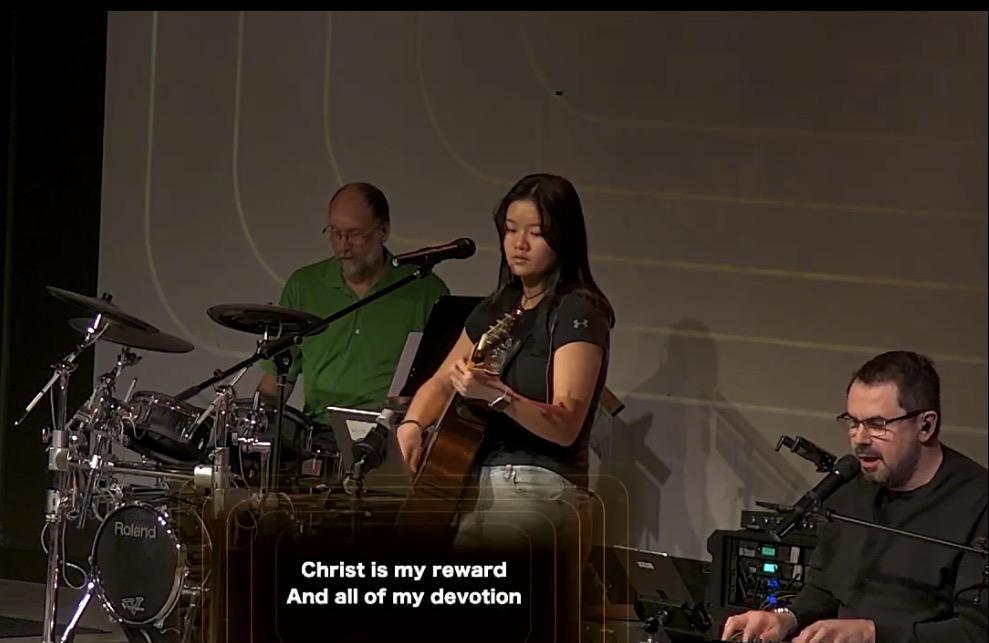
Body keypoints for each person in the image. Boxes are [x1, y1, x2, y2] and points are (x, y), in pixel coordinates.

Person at [396, 173, 615, 641]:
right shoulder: (499, 308)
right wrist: (413, 422)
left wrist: (498, 395)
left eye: (535, 232)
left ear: (563, 237)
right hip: (474, 486)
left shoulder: (578, 310)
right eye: (511, 230)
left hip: (536, 487)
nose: (519, 243)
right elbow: (441, 380)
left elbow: (566, 423)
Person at [722, 351, 988, 643]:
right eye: (853, 422)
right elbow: (824, 590)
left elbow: (975, 631)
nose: (859, 438)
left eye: (877, 424)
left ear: (925, 425)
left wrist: (872, 634)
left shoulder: (978, 502)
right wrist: (786, 618)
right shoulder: (849, 486)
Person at [256, 182, 449, 459]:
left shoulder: (425, 290)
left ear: (383, 231)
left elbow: (443, 382)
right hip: (320, 437)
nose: (342, 246)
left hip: (390, 437)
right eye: (334, 233)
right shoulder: (304, 286)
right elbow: (279, 376)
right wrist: (255, 417)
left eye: (354, 234)